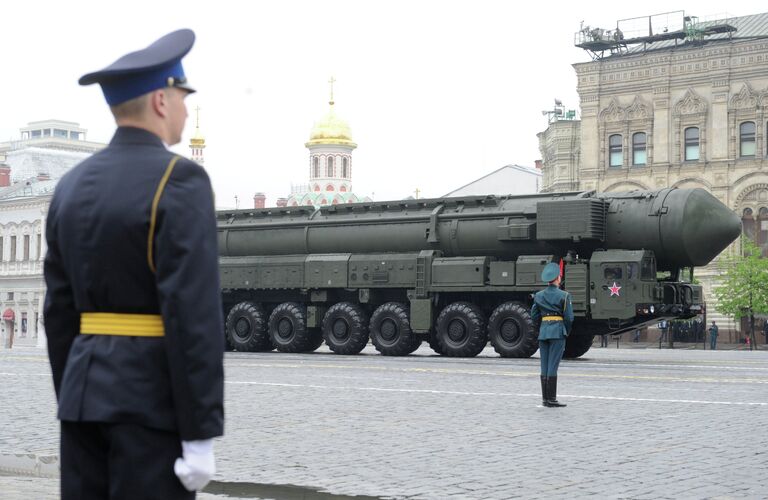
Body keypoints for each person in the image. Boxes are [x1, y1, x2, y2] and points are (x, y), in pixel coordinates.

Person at [44, 29, 224, 499]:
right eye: (183, 95)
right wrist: (200, 432)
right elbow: (193, 312)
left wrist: (75, 394)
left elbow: (59, 311)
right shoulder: (180, 179)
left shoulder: (70, 186)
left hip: (82, 401)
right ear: (162, 101)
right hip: (149, 406)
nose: (186, 107)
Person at [531, 262, 574, 408]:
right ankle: (552, 399)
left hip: (544, 332)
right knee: (553, 366)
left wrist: (542, 328)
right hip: (557, 331)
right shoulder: (564, 295)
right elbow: (569, 318)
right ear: (557, 278)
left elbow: (534, 315)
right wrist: (565, 330)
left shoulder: (539, 295)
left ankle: (545, 399)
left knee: (544, 365)